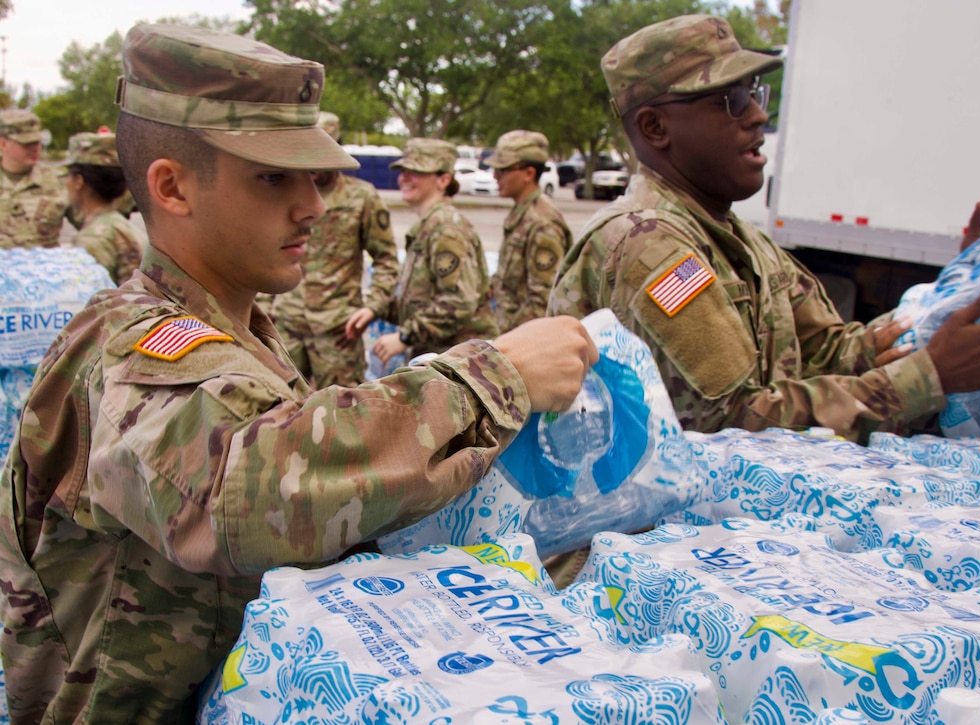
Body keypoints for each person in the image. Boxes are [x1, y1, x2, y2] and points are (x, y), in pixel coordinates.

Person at [0, 23, 596, 722]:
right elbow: (239, 489)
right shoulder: (134, 344)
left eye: (315, 178)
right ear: (172, 186)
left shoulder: (236, 330)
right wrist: (492, 377)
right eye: (274, 178)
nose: (313, 205)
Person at [547, 14, 980, 444]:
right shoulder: (650, 245)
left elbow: (833, 349)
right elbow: (735, 426)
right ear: (655, 127)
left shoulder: (738, 238)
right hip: (641, 553)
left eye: (755, 94)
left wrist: (967, 296)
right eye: (730, 101)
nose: (758, 117)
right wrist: (930, 378)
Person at [270, 111, 400, 387]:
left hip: (339, 331)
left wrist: (373, 306)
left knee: (344, 415)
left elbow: (387, 260)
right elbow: (262, 253)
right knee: (279, 409)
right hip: (286, 325)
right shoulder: (280, 196)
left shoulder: (361, 197)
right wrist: (263, 308)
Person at [358, 137, 500, 365]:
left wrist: (405, 336)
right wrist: (376, 309)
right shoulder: (429, 226)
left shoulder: (446, 230)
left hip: (459, 363)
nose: (404, 178)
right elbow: (418, 302)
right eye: (402, 171)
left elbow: (458, 303)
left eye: (415, 171)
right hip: (441, 358)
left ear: (443, 179)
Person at [484, 130, 572, 331]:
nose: (495, 175)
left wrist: (505, 344)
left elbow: (541, 303)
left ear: (529, 173)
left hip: (522, 344)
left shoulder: (542, 223)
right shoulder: (522, 214)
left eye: (503, 169)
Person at [62, 129, 145, 284]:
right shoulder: (123, 226)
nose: (65, 182)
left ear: (79, 181)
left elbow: (90, 301)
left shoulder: (91, 240)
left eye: (68, 174)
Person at [0, 108, 67, 249]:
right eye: (26, 143)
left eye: (37, 142)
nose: (35, 148)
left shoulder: (58, 182)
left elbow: (93, 219)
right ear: (3, 144)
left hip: (44, 267)